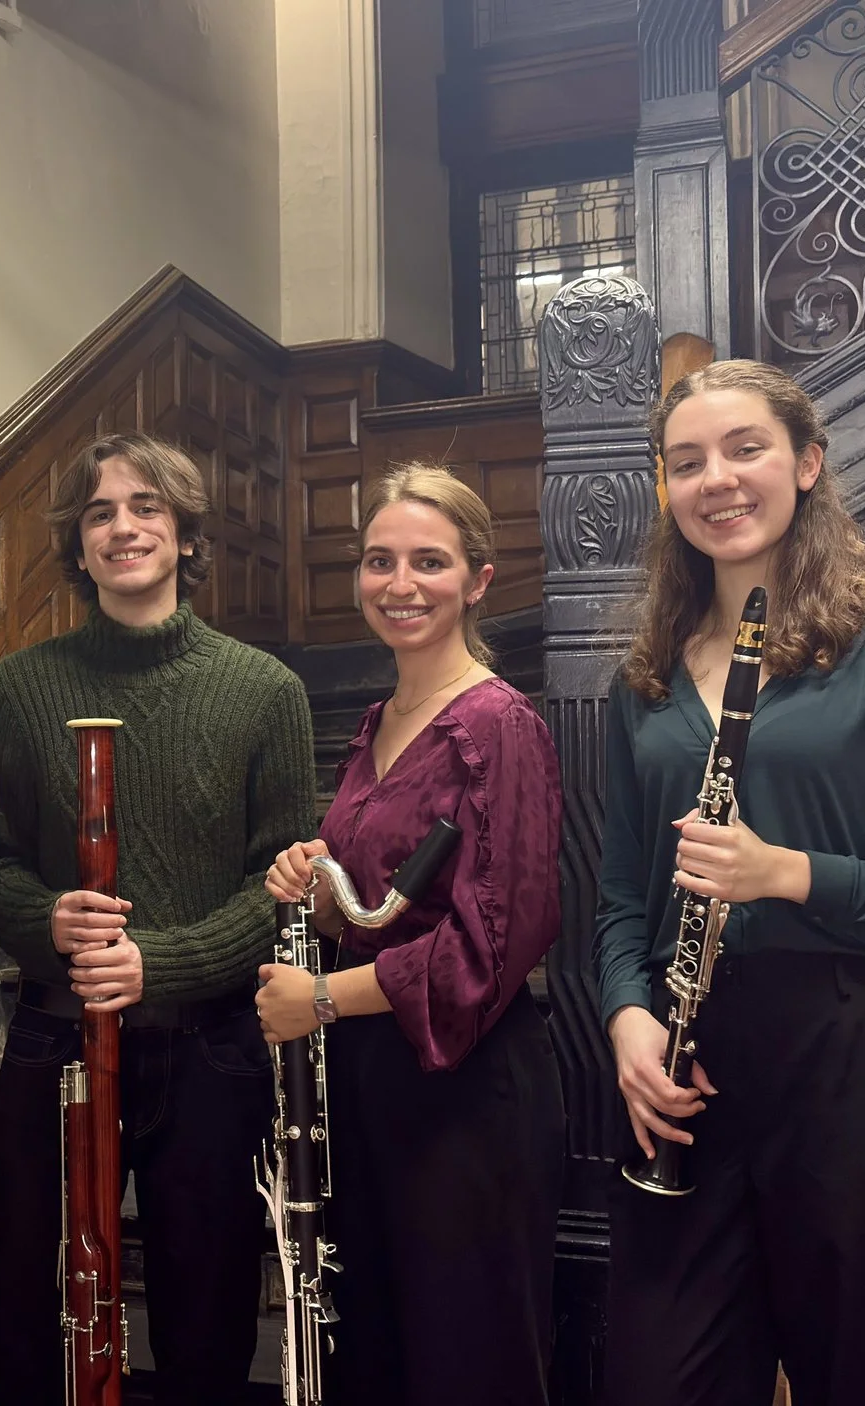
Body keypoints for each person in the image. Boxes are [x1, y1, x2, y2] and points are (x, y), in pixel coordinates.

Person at [596, 359, 865, 1405]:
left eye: (746, 449)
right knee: (658, 1377)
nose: (717, 479)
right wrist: (625, 1021)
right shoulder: (641, 681)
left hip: (851, 1057)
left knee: (864, 1373)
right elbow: (614, 899)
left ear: (807, 463)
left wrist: (785, 872)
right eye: (687, 461)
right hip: (687, 1068)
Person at [0, 432, 317, 1406]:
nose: (122, 526)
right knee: (30, 1311)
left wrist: (154, 961)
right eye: (98, 512)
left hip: (207, 1049)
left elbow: (281, 882)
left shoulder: (265, 690)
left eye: (145, 507)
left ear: (184, 535)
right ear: (76, 547)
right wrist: (51, 920)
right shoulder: (19, 686)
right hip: (52, 1035)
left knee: (204, 1319)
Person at [258, 464, 567, 1403]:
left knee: (462, 1357)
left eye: (429, 562)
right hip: (372, 1077)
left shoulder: (500, 723)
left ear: (478, 580)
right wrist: (313, 884)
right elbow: (380, 899)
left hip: (464, 1094)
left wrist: (318, 998)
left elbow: (496, 939)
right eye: (379, 561)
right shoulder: (377, 720)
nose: (400, 583)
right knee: (383, 1354)